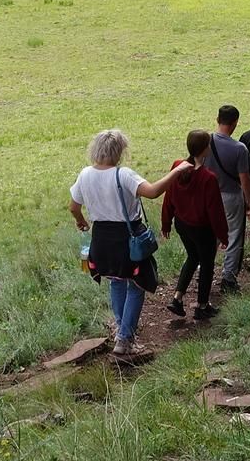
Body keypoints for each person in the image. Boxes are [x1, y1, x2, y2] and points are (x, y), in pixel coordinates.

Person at [69, 128, 186, 355]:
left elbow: (73, 207)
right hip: (127, 239)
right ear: (119, 151)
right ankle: (124, 338)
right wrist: (176, 172)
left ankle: (122, 331)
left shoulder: (85, 174)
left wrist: (81, 221)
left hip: (101, 239)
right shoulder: (123, 175)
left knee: (116, 281)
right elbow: (152, 192)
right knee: (136, 285)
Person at [159, 129, 226, 320]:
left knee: (192, 257)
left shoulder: (178, 166)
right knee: (206, 264)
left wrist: (166, 223)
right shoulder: (208, 178)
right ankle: (202, 306)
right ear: (206, 149)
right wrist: (223, 235)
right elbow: (215, 211)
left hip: (182, 225)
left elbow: (168, 198)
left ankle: (177, 298)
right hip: (202, 230)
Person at [208, 104, 250, 292]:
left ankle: (205, 271)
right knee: (234, 236)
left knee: (210, 235)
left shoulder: (205, 142)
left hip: (209, 196)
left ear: (217, 119)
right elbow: (245, 180)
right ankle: (228, 278)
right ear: (235, 122)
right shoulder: (239, 149)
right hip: (231, 197)